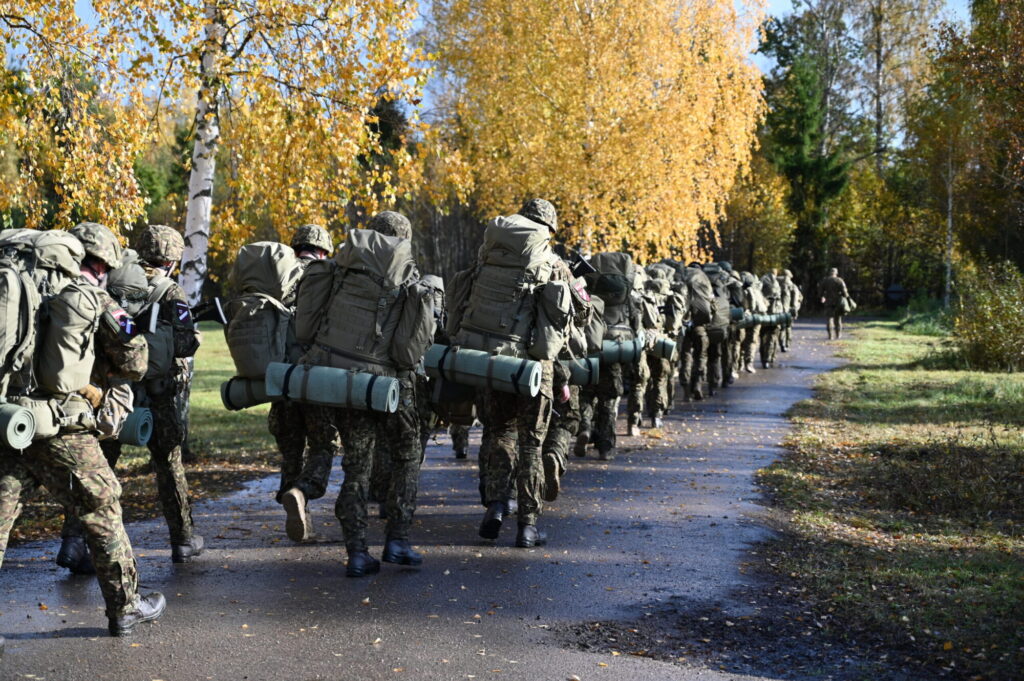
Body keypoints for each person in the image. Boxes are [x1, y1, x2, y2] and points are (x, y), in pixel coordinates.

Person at [0, 223, 166, 636]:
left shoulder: (19, 281)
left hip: (7, 419)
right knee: (102, 506)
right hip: (59, 425)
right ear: (103, 262)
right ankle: (125, 607)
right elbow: (136, 362)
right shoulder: (93, 297)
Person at [292, 211, 435, 576]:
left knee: (357, 465)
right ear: (402, 238)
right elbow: (408, 349)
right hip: (387, 383)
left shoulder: (341, 266)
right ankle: (397, 541)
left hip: (341, 377)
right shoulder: (406, 272)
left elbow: (308, 326)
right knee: (407, 454)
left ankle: (357, 552)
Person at [454, 198, 572, 547]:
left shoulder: (487, 257)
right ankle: (528, 526)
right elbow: (568, 319)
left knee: (497, 433)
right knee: (531, 444)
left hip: (490, 359)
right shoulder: (553, 264)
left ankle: (496, 505)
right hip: (534, 369)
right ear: (548, 229)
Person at [135, 224, 204, 562]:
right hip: (158, 393)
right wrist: (195, 338)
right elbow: (183, 341)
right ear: (173, 259)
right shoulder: (171, 292)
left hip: (115, 392)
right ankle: (183, 539)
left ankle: (74, 543)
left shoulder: (119, 283)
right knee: (168, 463)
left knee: (101, 466)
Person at [274, 224, 336, 542]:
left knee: (291, 450)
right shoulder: (327, 275)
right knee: (324, 445)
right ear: (323, 250)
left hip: (279, 378)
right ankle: (301, 492)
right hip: (316, 378)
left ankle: (299, 515)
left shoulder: (278, 275)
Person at [819, 267, 850, 339]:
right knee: (838, 319)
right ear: (836, 273)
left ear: (830, 272)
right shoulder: (840, 280)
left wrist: (822, 297)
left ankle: (830, 335)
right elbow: (845, 292)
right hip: (838, 302)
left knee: (829, 318)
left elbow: (820, 291)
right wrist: (846, 297)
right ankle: (838, 334)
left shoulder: (825, 280)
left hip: (828, 302)